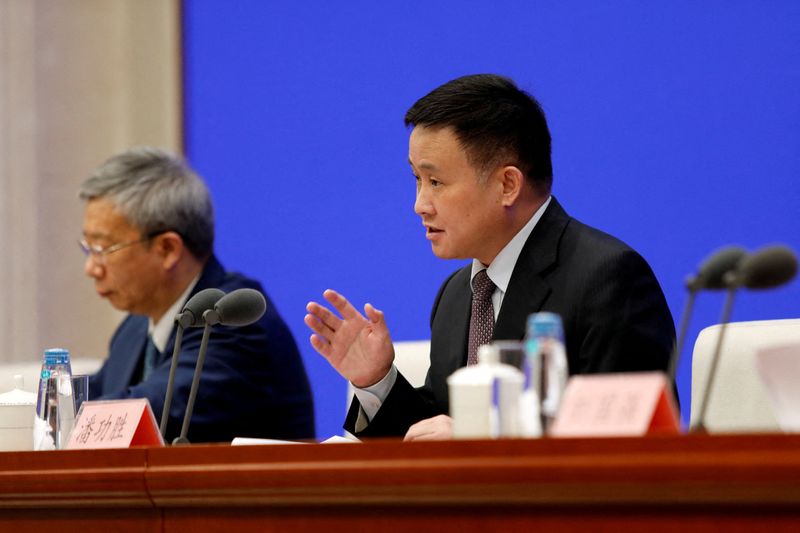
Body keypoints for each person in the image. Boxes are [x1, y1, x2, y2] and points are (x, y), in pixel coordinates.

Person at [305, 74, 675, 441]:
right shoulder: (457, 295)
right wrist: (377, 381)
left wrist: (476, 438)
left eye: (435, 182)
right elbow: (432, 433)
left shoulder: (607, 279)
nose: (419, 205)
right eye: (416, 179)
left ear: (507, 185)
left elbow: (625, 443)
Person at [81, 147, 314, 443]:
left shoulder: (234, 318)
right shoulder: (135, 330)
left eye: (103, 249)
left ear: (168, 249)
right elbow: (91, 403)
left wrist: (59, 414)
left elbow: (149, 414)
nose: (91, 268)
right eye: (87, 248)